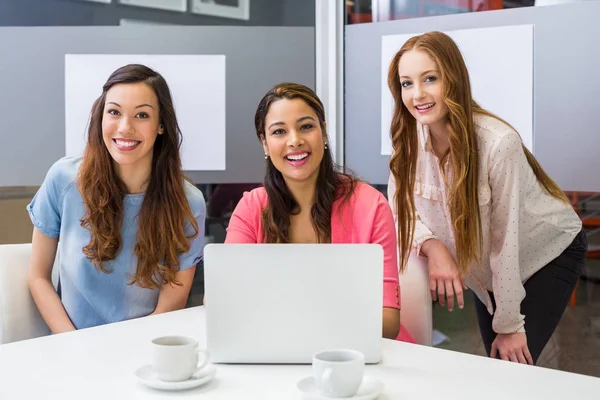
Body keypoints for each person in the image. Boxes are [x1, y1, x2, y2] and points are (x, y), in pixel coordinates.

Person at [387, 31, 586, 363]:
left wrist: (509, 324)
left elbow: (504, 240)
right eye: (407, 83)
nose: (417, 94)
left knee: (510, 361)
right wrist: (433, 247)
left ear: (453, 79)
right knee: (499, 364)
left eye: (430, 79)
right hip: (485, 266)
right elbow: (398, 205)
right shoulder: (408, 140)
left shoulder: (498, 143)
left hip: (546, 252)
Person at [225, 82, 415, 342]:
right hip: (276, 355)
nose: (295, 140)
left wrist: (281, 317)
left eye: (306, 126)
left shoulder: (370, 206)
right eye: (279, 131)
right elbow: (223, 303)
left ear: (323, 132)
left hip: (363, 359)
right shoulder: (250, 210)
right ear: (265, 144)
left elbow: (387, 322)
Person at [27, 64, 206, 332]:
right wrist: (70, 342)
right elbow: (38, 277)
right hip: (70, 347)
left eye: (142, 115)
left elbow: (170, 306)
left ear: (161, 126)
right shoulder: (63, 179)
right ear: (100, 117)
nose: (125, 127)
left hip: (144, 350)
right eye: (114, 112)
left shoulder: (189, 203)